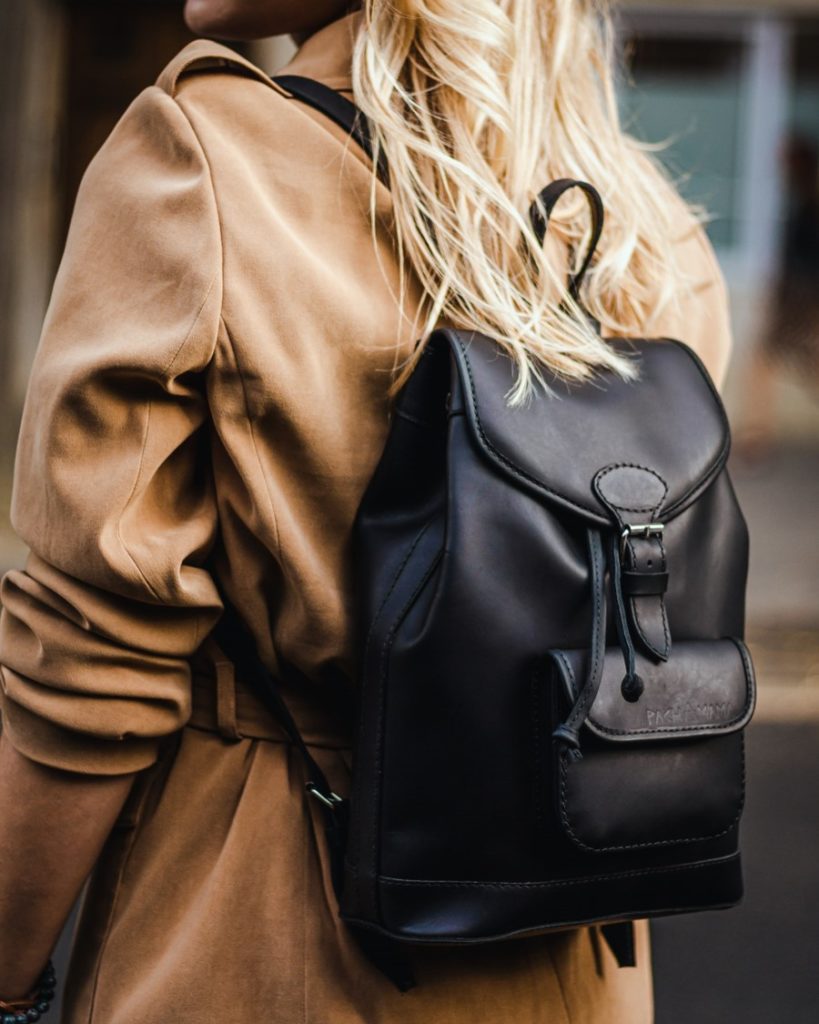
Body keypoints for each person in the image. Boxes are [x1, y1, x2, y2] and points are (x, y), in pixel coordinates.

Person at [0, 1, 732, 1020]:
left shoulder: (204, 165)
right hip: (579, 957)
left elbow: (90, 668)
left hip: (272, 936)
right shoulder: (650, 230)